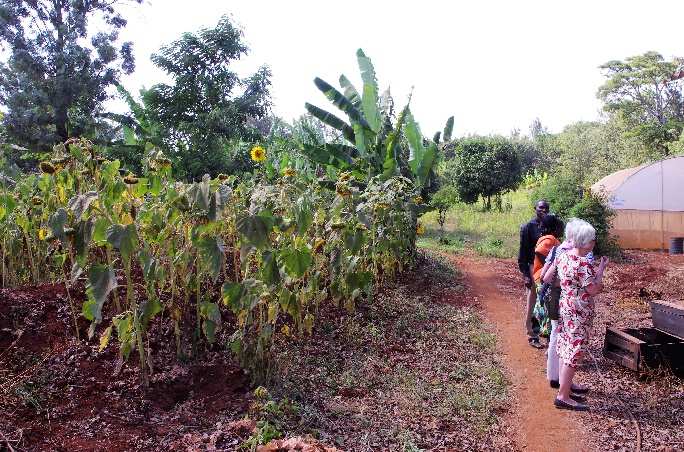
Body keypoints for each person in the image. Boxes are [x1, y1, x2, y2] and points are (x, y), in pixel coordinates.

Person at [544, 219, 609, 411]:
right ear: (584, 242)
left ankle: (565, 387)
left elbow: (551, 277)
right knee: (575, 350)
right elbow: (593, 289)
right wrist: (601, 279)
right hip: (578, 312)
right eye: (592, 241)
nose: (594, 244)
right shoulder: (582, 264)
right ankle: (563, 396)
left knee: (566, 347)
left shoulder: (564, 256)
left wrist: (600, 270)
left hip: (566, 308)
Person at [518, 199, 549, 348]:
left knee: (545, 304)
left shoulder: (549, 227)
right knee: (532, 302)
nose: (543, 210)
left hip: (547, 269)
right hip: (532, 268)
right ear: (535, 208)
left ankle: (545, 333)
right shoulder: (528, 227)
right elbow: (522, 253)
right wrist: (525, 274)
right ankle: (532, 335)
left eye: (546, 208)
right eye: (541, 208)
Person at [532, 214, 564, 338]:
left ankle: (547, 334)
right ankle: (547, 335)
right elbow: (539, 251)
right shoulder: (550, 239)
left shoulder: (549, 238)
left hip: (542, 277)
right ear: (554, 227)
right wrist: (550, 264)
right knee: (547, 308)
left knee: (545, 306)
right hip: (543, 278)